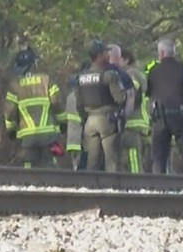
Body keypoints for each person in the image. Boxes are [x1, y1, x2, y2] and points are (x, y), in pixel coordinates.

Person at [147, 37, 183, 175]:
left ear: (162, 53)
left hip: (160, 116)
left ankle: (158, 187)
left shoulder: (154, 71)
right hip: (181, 115)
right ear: (173, 53)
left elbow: (149, 92)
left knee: (159, 157)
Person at [4, 47, 63, 169]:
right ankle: (52, 185)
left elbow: (10, 111)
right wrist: (63, 123)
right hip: (48, 135)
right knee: (49, 164)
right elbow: (57, 103)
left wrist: (11, 130)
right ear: (34, 64)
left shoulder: (15, 85)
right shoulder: (46, 80)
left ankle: (29, 186)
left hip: (27, 137)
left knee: (28, 166)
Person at [75, 40, 128, 172]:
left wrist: (84, 118)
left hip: (89, 121)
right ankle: (114, 189)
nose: (108, 55)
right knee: (112, 160)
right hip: (107, 120)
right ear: (99, 55)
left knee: (92, 162)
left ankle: (92, 189)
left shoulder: (81, 77)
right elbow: (120, 98)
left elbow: (79, 104)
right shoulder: (109, 75)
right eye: (105, 52)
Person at [117, 47, 150, 174]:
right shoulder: (137, 73)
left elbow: (132, 93)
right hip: (137, 121)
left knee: (133, 155)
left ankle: (136, 181)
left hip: (132, 121)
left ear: (126, 60)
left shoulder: (131, 74)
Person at [61, 61, 90, 170]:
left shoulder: (71, 96)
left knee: (78, 164)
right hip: (85, 137)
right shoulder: (79, 95)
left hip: (75, 138)